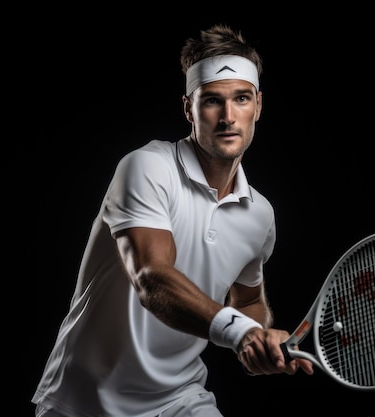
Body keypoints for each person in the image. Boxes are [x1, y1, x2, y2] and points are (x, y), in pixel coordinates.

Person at [32, 23, 313, 417]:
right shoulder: (147, 168)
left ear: (259, 106)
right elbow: (151, 277)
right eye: (212, 101)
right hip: (82, 399)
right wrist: (239, 333)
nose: (228, 116)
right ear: (188, 108)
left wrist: (259, 336)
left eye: (242, 99)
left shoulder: (260, 214)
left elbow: (248, 299)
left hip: (180, 399)